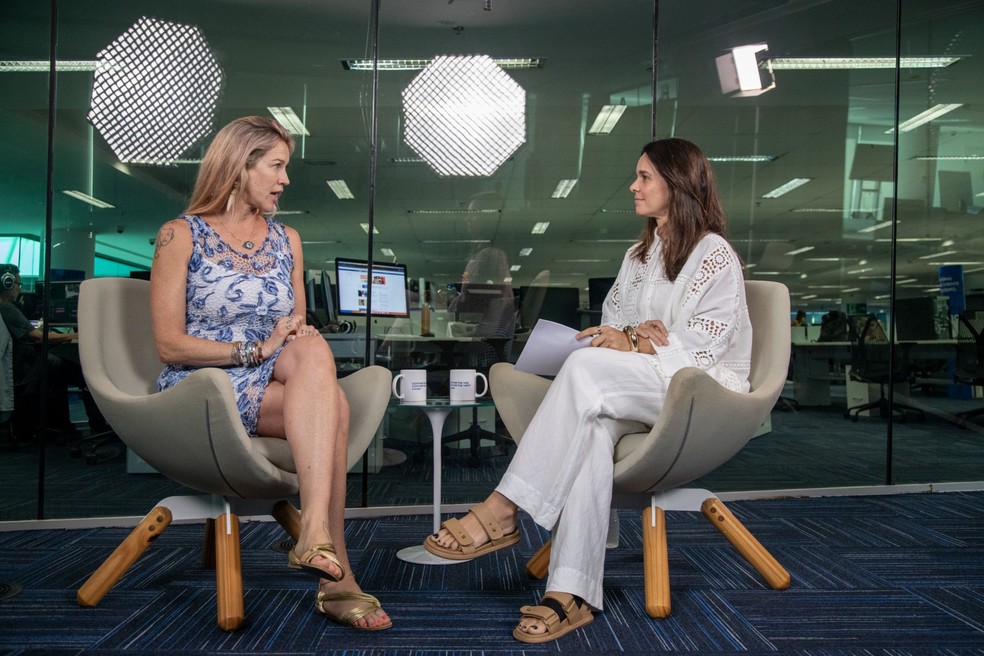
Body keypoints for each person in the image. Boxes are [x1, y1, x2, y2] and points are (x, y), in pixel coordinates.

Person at [421, 138, 751, 643]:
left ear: (678, 183)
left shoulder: (714, 254)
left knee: (585, 369)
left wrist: (636, 340)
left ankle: (504, 508)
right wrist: (633, 336)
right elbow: (615, 323)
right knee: (591, 428)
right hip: (642, 386)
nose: (633, 186)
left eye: (644, 177)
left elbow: (704, 347)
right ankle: (571, 593)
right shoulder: (639, 254)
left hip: (699, 394)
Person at [150, 116, 391, 631]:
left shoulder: (288, 239)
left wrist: (289, 339)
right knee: (335, 407)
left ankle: (315, 536)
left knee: (312, 347)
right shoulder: (180, 235)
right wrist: (255, 350)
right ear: (239, 166)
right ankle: (334, 573)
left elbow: (295, 328)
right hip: (205, 384)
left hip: (276, 375)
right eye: (276, 166)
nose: (285, 179)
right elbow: (168, 344)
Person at [0, 263, 107, 437]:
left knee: (59, 377)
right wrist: (75, 335)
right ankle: (98, 430)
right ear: (7, 283)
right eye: (18, 284)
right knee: (88, 378)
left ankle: (64, 426)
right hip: (27, 369)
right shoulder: (6, 308)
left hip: (19, 368)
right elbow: (37, 337)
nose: (20, 288)